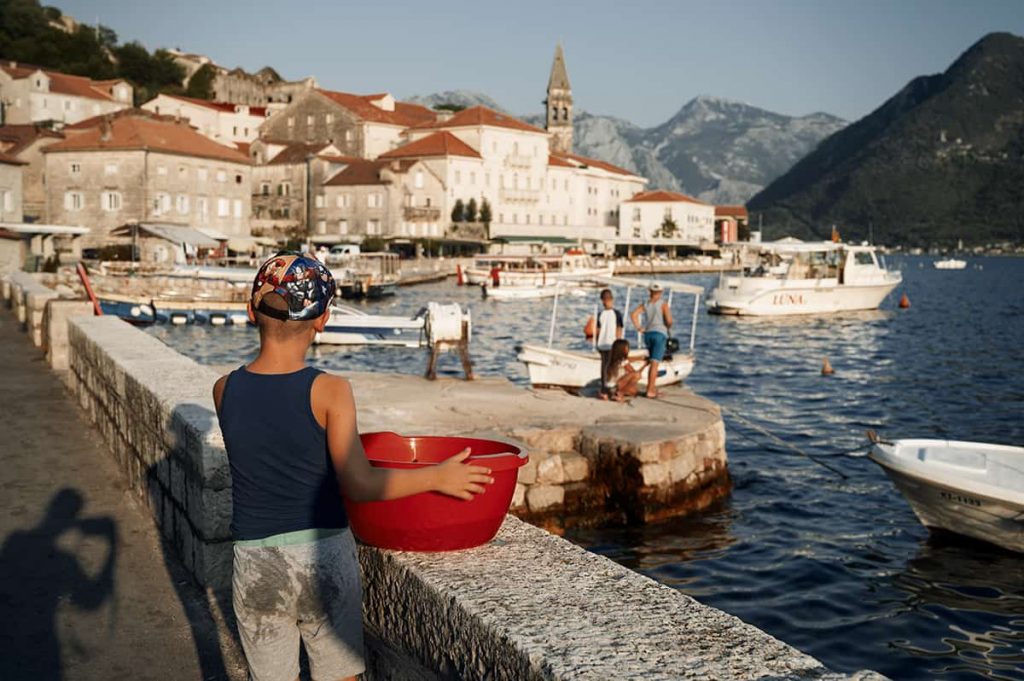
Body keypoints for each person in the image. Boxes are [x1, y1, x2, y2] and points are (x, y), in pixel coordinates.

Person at [212, 251, 492, 681]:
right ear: (322, 320)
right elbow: (360, 483)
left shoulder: (223, 389)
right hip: (322, 556)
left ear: (251, 311)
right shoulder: (330, 391)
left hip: (255, 562)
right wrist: (439, 476)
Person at [630, 283, 672, 398]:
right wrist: (668, 325)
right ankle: (650, 390)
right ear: (661, 292)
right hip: (659, 334)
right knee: (655, 363)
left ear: (650, 291)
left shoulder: (646, 304)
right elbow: (669, 321)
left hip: (648, 335)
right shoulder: (663, 304)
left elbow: (633, 314)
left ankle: (652, 388)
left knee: (652, 360)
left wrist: (639, 327)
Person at [594, 288, 624, 397]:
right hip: (608, 344)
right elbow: (619, 328)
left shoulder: (602, 314)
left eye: (606, 299)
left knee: (606, 366)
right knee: (611, 367)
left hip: (606, 344)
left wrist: (597, 342)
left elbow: (598, 331)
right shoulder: (615, 313)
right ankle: (609, 387)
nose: (606, 301)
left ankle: (605, 387)